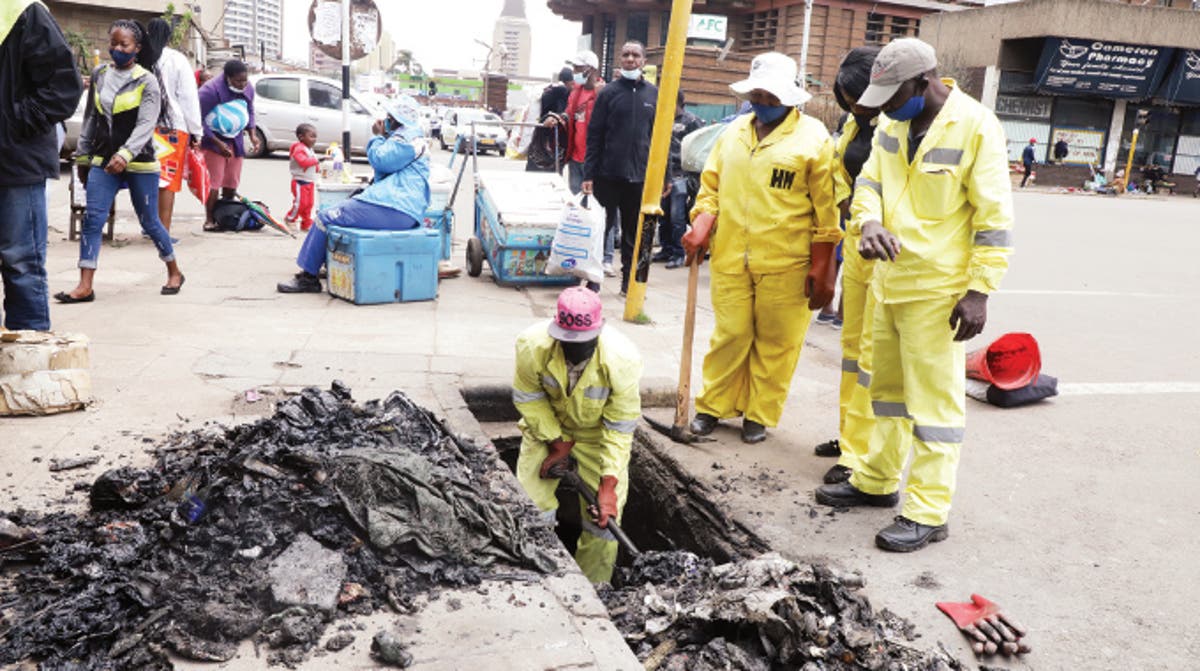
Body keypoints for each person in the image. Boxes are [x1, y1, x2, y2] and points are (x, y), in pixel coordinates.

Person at [814, 38, 1014, 552]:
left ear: (923, 81)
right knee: (886, 394)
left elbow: (993, 219)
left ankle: (928, 512)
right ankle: (878, 481)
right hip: (888, 282)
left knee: (934, 409)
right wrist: (869, 223)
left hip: (939, 291)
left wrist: (980, 291)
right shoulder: (891, 122)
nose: (884, 105)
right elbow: (869, 187)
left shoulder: (975, 126)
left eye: (892, 93)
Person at [681, 52, 840, 444]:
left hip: (787, 260)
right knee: (730, 334)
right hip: (732, 254)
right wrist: (702, 219)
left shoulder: (814, 138)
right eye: (757, 96)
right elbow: (711, 186)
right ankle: (712, 406)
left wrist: (824, 264)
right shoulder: (733, 133)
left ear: (790, 98)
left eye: (771, 97)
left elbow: (827, 208)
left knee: (777, 342)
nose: (763, 104)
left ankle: (759, 413)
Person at [512, 286, 642, 583]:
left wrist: (608, 484)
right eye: (567, 341)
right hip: (547, 429)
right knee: (529, 507)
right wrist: (557, 443)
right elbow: (528, 398)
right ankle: (538, 579)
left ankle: (595, 589)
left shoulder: (622, 359)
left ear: (599, 331)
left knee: (604, 519)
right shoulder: (532, 346)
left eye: (583, 342)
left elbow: (620, 429)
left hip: (597, 436)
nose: (573, 350)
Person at [57, 19, 184, 303]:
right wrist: (83, 158)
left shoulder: (147, 81)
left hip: (140, 163)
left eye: (123, 45)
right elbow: (91, 118)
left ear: (137, 48)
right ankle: (85, 285)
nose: (116, 49)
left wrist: (125, 154)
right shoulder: (101, 73)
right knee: (93, 220)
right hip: (103, 161)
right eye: (112, 43)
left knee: (150, 222)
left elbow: (145, 124)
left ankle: (174, 270)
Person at [813, 46, 890, 485]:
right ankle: (848, 435)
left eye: (855, 97)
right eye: (846, 99)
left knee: (871, 359)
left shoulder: (894, 125)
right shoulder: (853, 124)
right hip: (856, 245)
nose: (851, 106)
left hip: (884, 251)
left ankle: (861, 453)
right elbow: (842, 171)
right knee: (850, 351)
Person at [277, 95, 430, 293]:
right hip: (404, 209)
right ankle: (322, 263)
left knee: (325, 218)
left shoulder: (405, 140)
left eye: (388, 117)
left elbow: (381, 161)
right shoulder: (413, 138)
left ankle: (308, 277)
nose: (384, 121)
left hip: (394, 207)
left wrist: (376, 136)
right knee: (347, 206)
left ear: (394, 119)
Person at [0, 0, 81, 330]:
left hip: (16, 162)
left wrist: (11, 125)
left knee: (21, 262)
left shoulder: (21, 12)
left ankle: (29, 371)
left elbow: (64, 87)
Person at [582, 41, 657, 294]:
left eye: (636, 55)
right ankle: (593, 280)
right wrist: (588, 173)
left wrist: (665, 176)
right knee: (601, 229)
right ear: (620, 59)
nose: (630, 59)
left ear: (643, 61)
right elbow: (595, 135)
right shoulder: (608, 93)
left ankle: (629, 283)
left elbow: (660, 139)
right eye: (625, 54)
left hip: (638, 178)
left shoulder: (653, 95)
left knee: (633, 234)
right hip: (607, 175)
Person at [146, 18, 201, 235]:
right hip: (172, 128)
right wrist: (197, 131)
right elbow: (188, 98)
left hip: (145, 126)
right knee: (167, 181)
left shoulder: (142, 57)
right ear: (170, 37)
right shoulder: (177, 59)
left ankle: (148, 226)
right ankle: (163, 232)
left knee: (146, 178)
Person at [199, 59, 259, 231]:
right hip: (213, 140)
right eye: (238, 81)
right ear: (227, 78)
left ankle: (224, 215)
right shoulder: (209, 92)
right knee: (214, 182)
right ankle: (209, 219)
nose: (242, 85)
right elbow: (197, 119)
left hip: (236, 139)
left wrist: (253, 134)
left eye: (244, 80)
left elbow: (250, 110)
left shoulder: (247, 88)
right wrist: (217, 142)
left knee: (231, 180)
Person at [652, 89, 703, 270]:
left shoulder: (692, 122)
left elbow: (700, 149)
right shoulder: (661, 120)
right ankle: (665, 249)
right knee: (662, 215)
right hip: (663, 175)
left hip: (681, 175)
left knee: (677, 217)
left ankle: (678, 253)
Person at [561, 50, 600, 195]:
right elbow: (569, 115)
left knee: (595, 205)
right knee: (576, 206)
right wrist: (558, 118)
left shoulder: (604, 93)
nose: (574, 71)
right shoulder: (575, 92)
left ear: (590, 69)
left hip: (594, 162)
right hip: (575, 158)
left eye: (578, 67)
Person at [525, 67, 572, 173]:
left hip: (541, 131)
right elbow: (560, 112)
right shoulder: (562, 91)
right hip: (552, 134)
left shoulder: (548, 89)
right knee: (551, 171)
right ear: (569, 81)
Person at [286, 124, 319, 231]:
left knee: (309, 204)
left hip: (309, 180)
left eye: (315, 136)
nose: (314, 139)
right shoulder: (299, 149)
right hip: (300, 181)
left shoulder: (309, 149)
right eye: (311, 136)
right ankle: (290, 218)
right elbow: (303, 162)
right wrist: (317, 161)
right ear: (301, 137)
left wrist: (317, 167)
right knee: (301, 203)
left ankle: (306, 223)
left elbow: (312, 160)